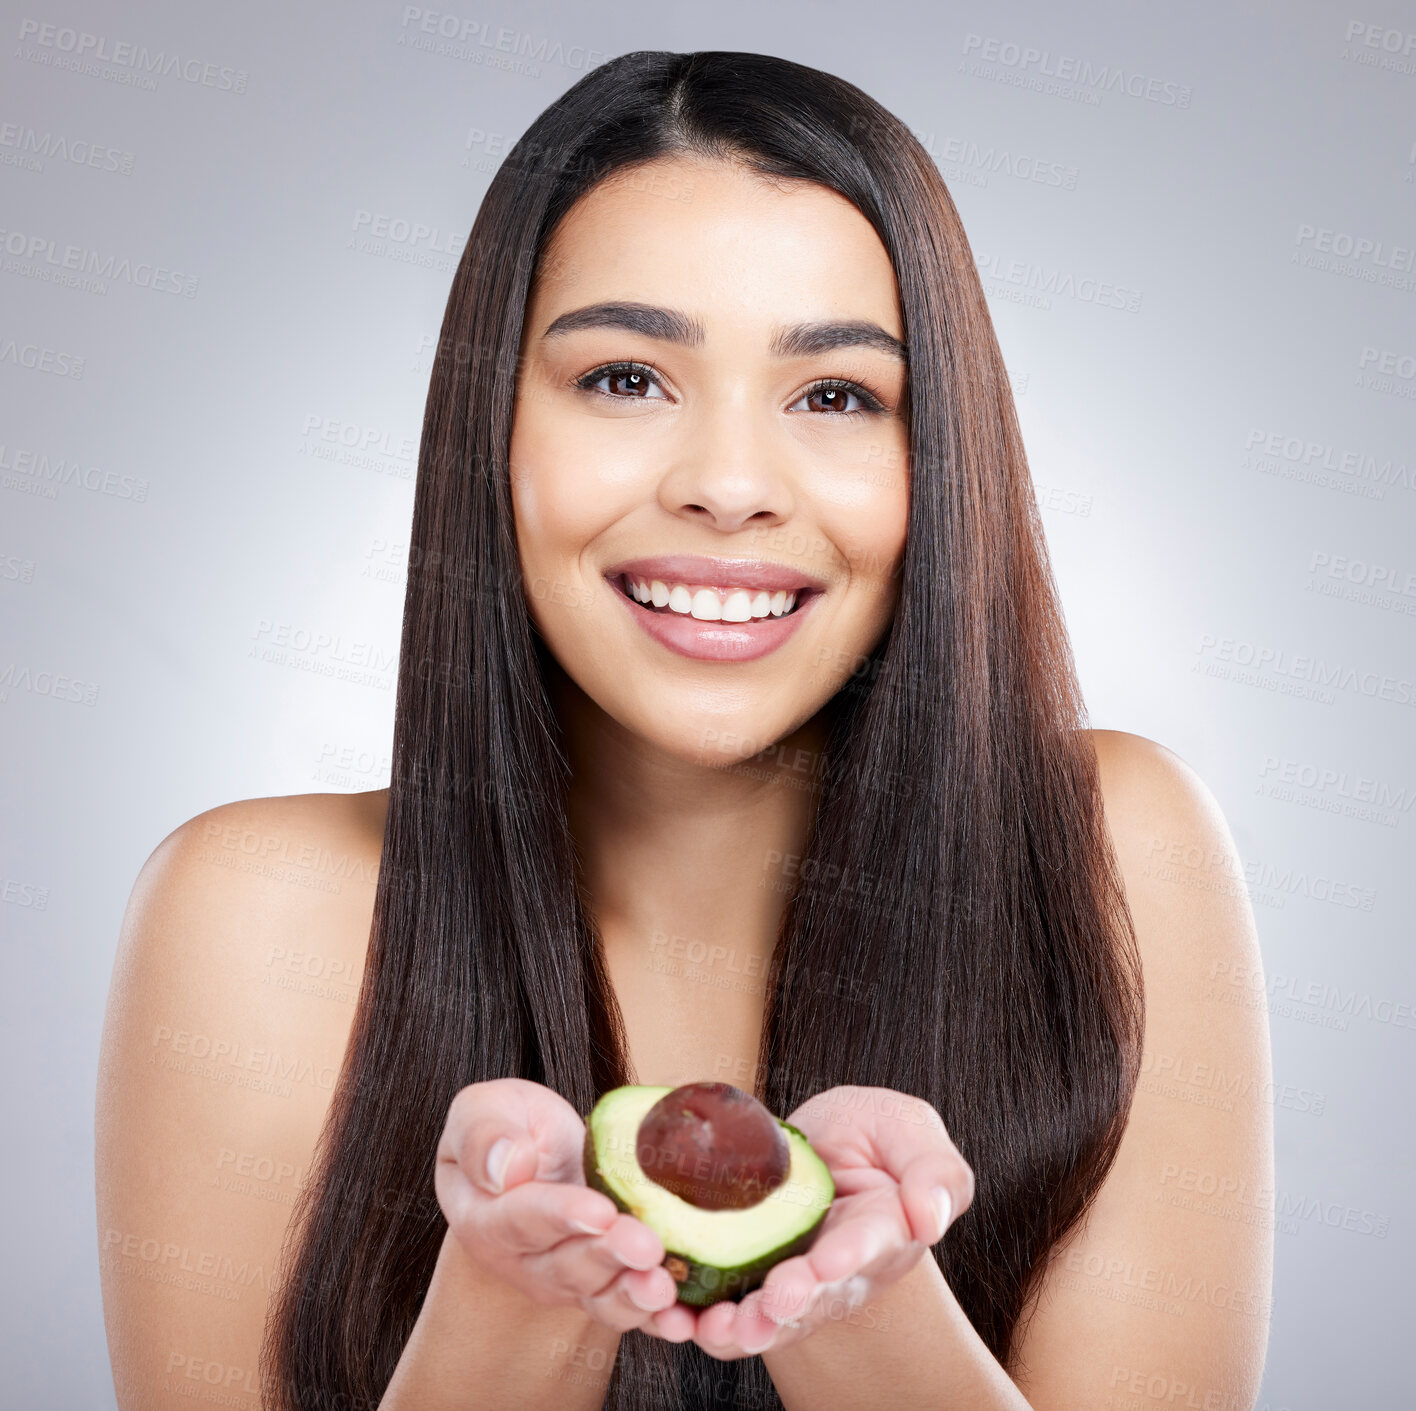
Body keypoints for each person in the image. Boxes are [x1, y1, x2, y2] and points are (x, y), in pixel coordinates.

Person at [96, 50, 1274, 1411]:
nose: (726, 486)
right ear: (494, 428)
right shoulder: (250, 918)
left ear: (934, 459)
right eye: (625, 379)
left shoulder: (1116, 852)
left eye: (836, 395)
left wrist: (852, 1301)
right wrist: (506, 1306)